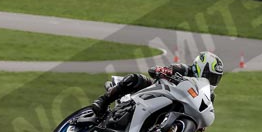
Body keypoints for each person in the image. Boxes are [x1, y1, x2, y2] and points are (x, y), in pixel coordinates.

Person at [90, 51, 224, 116]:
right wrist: (162, 70)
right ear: (200, 67)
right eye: (210, 75)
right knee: (136, 78)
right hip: (155, 92)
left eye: (215, 78)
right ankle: (103, 101)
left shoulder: (209, 96)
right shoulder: (183, 69)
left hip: (173, 110)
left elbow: (204, 112)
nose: (212, 80)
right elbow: (153, 71)